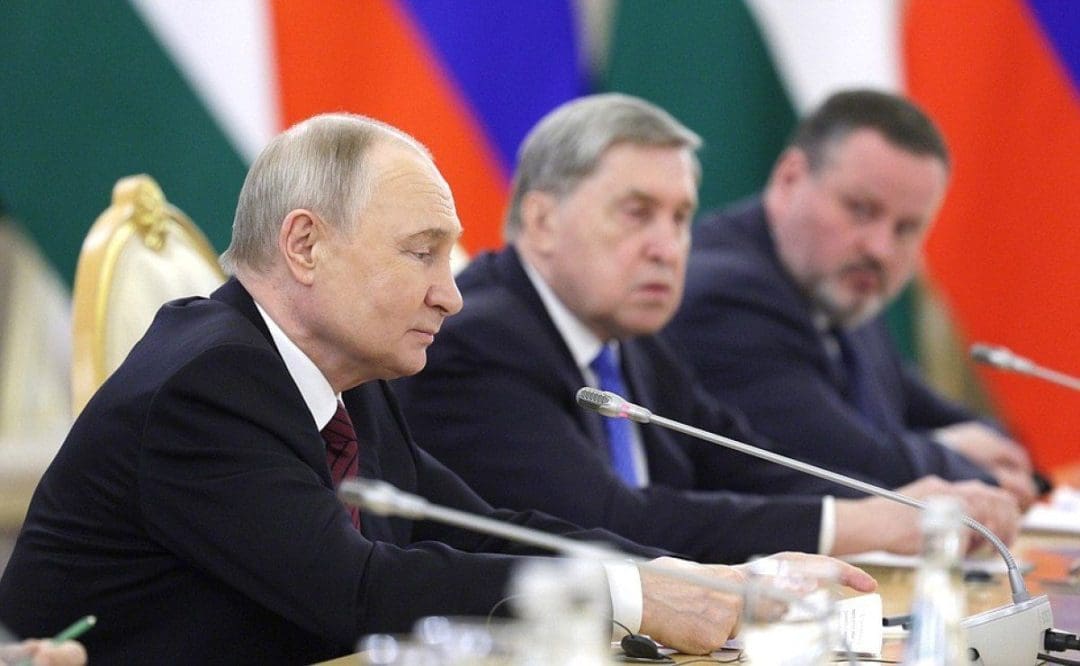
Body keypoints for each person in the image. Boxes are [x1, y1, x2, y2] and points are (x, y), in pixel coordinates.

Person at [0, 113, 874, 663]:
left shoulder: (346, 373)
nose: (451, 295)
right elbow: (355, 589)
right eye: (421, 253)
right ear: (305, 245)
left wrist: (691, 576)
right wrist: (633, 596)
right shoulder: (209, 382)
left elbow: (481, 526)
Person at [394, 93, 1019, 566]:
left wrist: (902, 505)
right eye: (637, 214)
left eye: (680, 218)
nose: (667, 248)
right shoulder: (479, 339)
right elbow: (609, 523)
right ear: (542, 221)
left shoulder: (633, 339)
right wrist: (859, 525)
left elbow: (745, 463)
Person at [663, 89, 1037, 510]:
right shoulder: (725, 294)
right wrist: (964, 460)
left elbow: (951, 422)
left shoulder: (841, 286)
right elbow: (842, 463)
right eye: (861, 210)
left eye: (906, 229)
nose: (880, 249)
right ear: (789, 179)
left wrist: (995, 454)